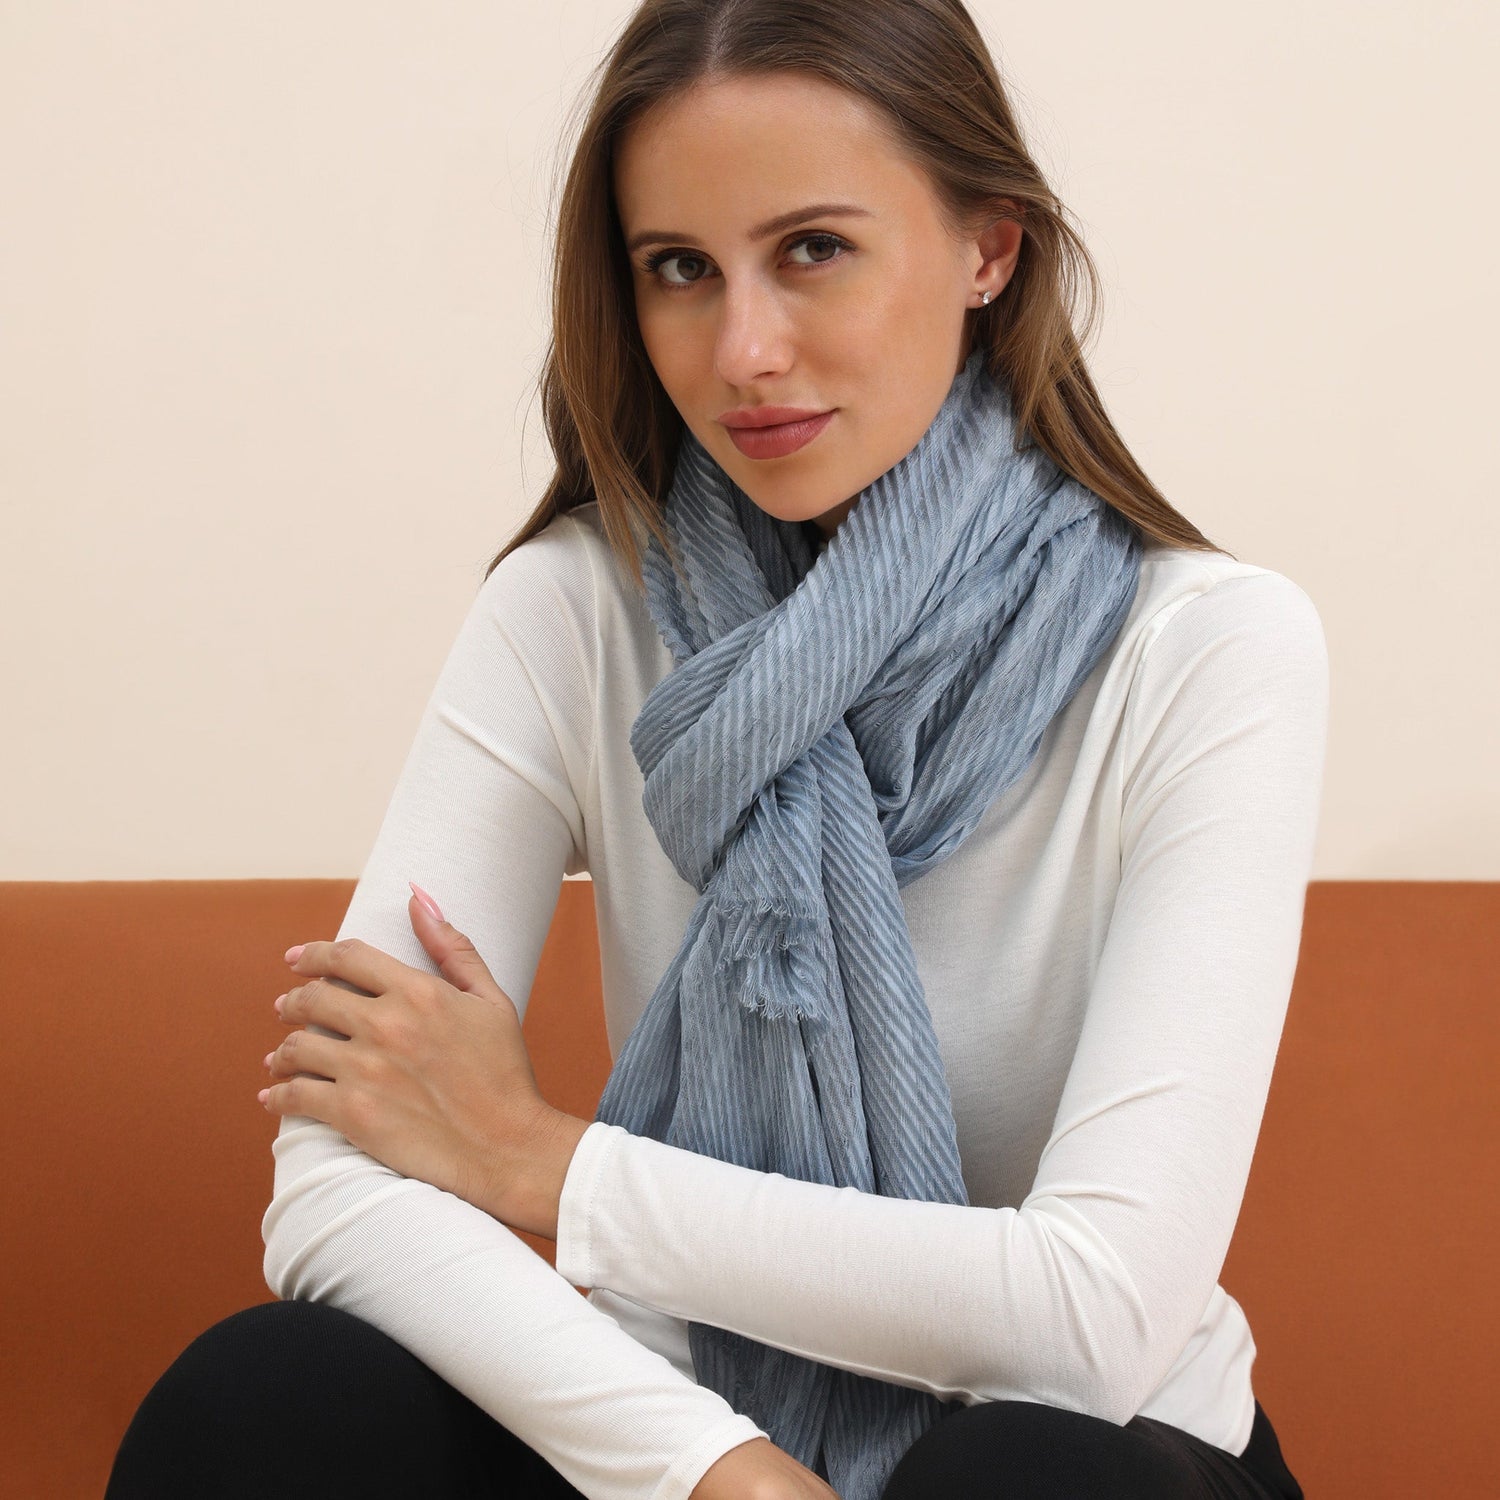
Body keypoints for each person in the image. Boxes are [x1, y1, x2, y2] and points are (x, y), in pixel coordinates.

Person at [105, 1, 1325, 1497]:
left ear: (988, 249)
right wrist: (708, 1469)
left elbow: (1096, 1318)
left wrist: (546, 1165)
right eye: (680, 269)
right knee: (267, 1402)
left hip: (1092, 1456)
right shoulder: (578, 607)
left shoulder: (1207, 648)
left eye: (813, 248)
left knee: (1023, 1481)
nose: (743, 349)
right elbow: (331, 1196)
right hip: (675, 1446)